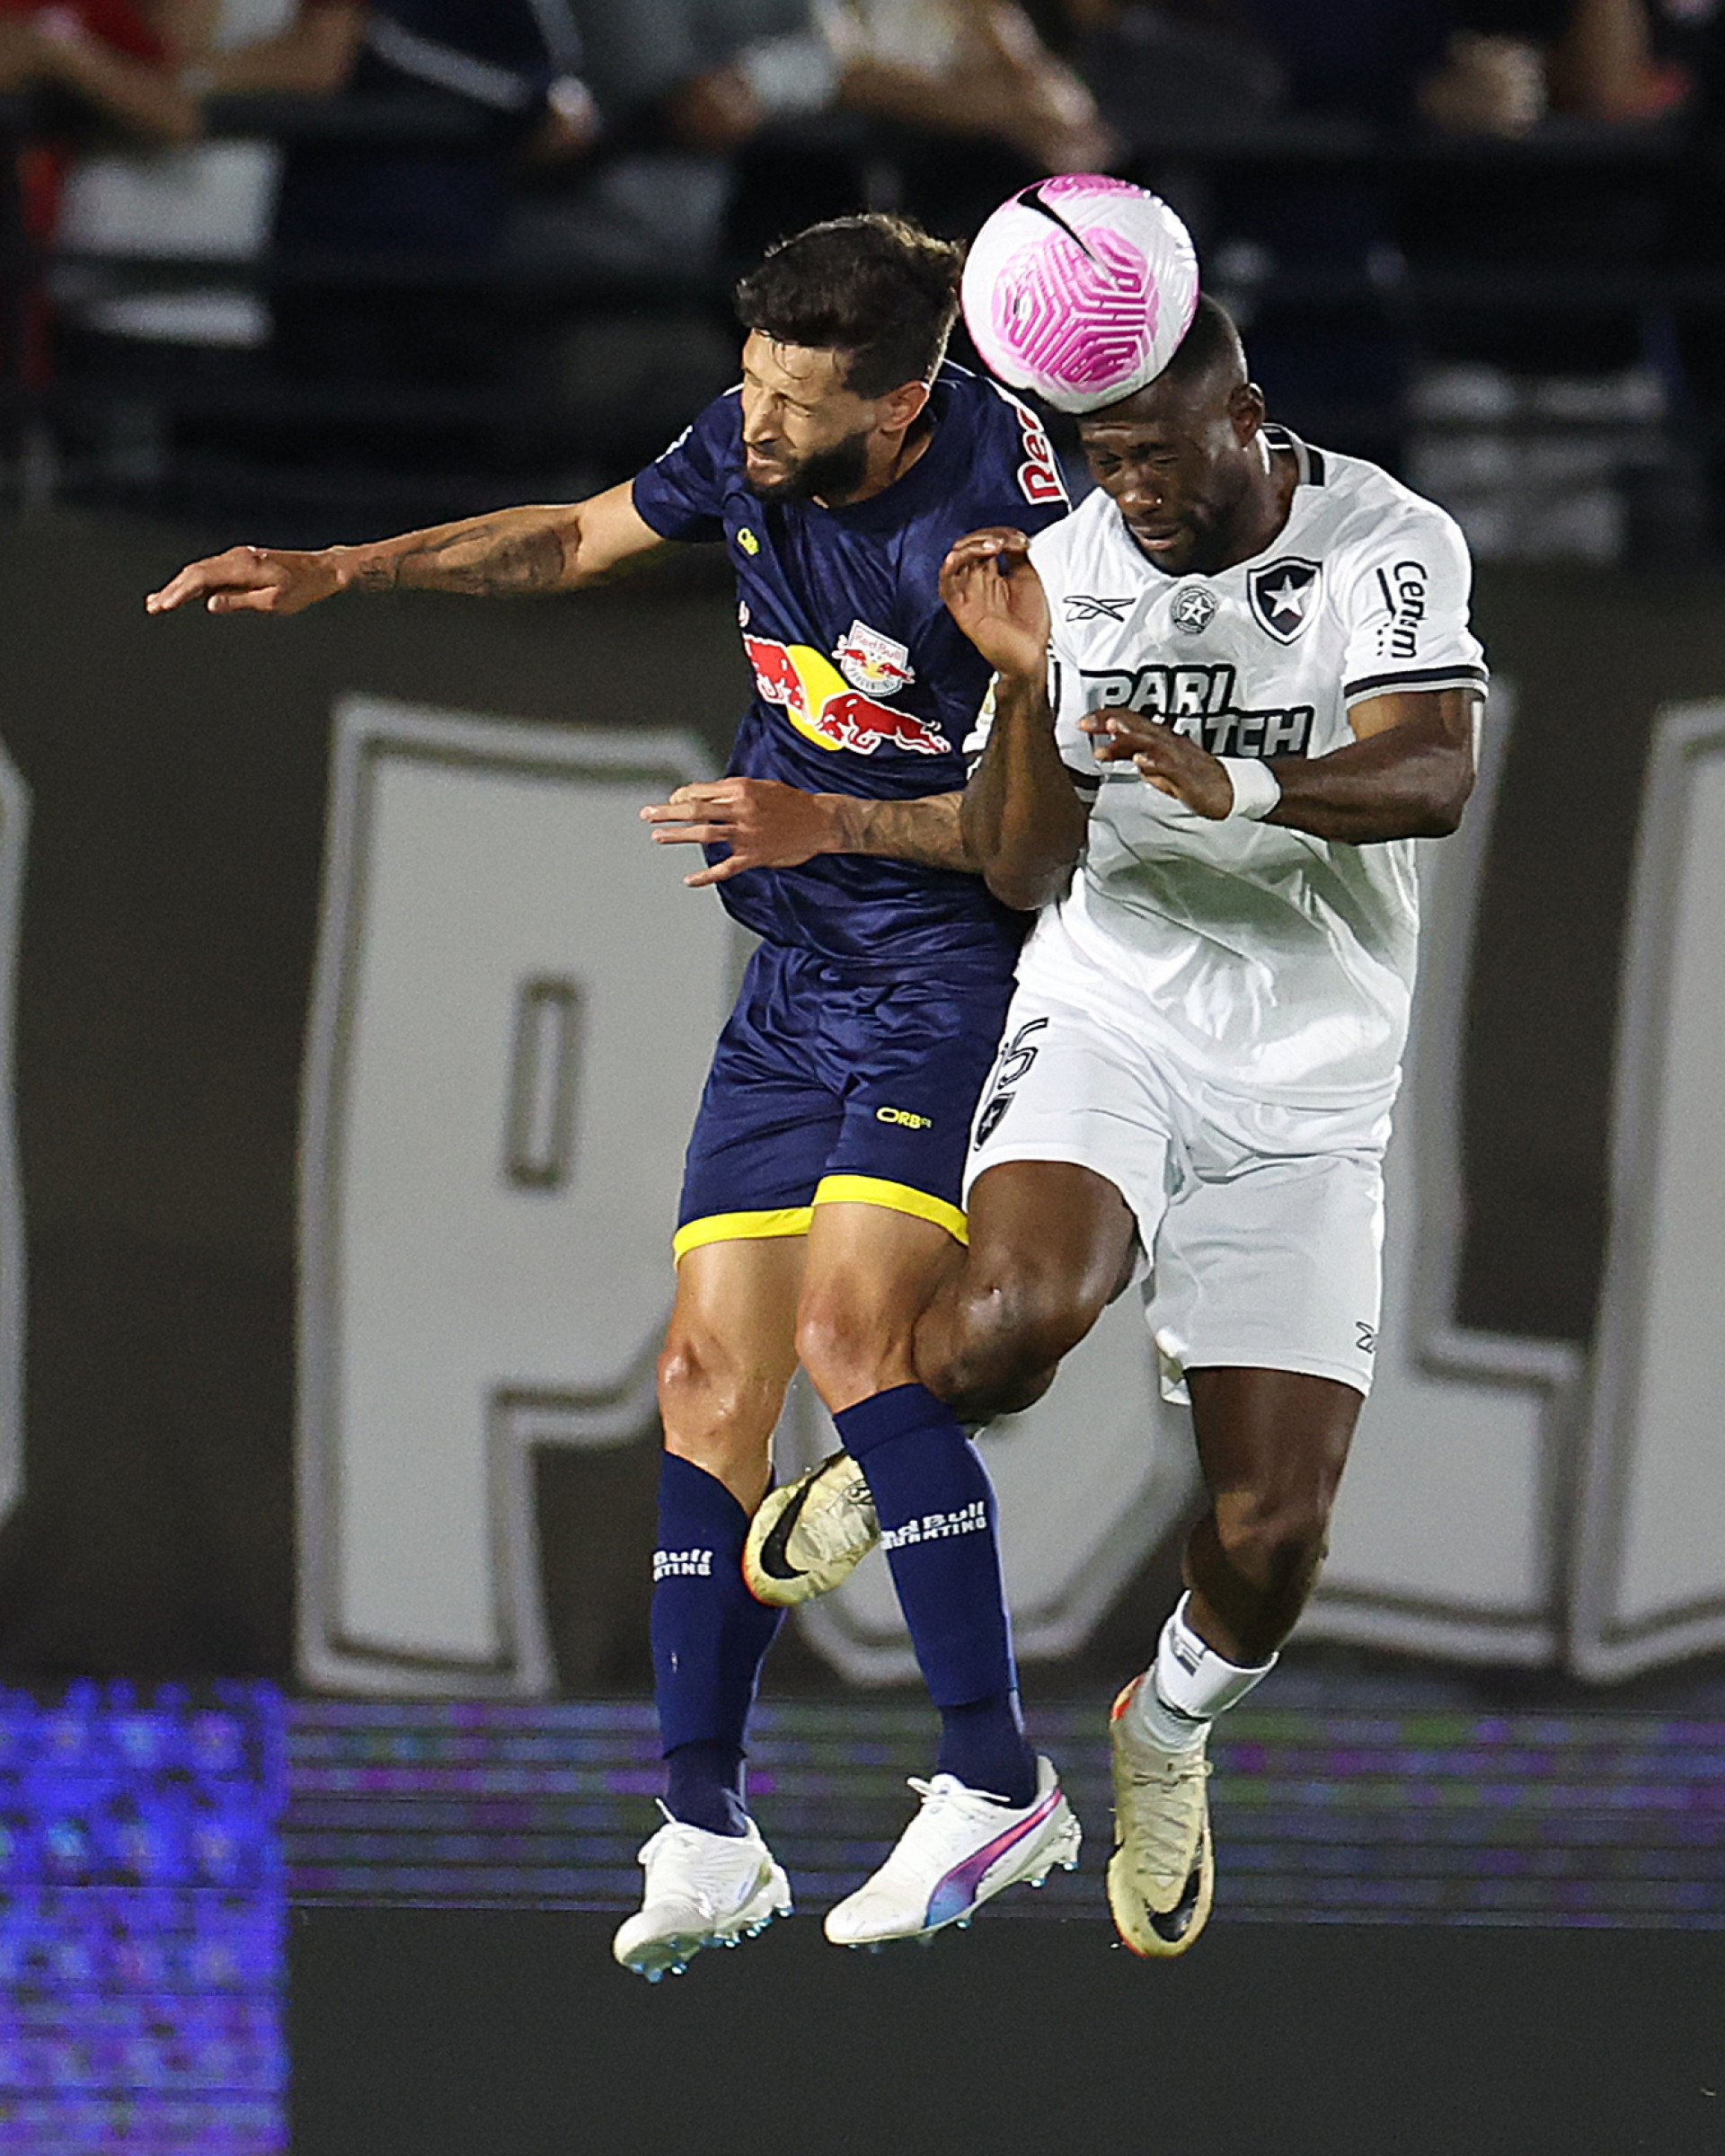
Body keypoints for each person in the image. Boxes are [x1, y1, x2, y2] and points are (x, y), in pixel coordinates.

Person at [143, 212, 1081, 1975]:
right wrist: (346, 569)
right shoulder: (754, 435)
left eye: (796, 401)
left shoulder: (1002, 540)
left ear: (905, 408)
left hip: (951, 973)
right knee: (703, 1373)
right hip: (797, 975)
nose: (754, 423)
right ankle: (706, 1831)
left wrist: (837, 819)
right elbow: (574, 538)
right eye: (748, 379)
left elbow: (1042, 852)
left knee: (848, 1347)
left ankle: (995, 1779)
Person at [748, 292, 1487, 1956]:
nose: (1132, 487)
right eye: (1105, 456)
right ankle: (890, 1456)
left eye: (1158, 453)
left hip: (1314, 1079)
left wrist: (1253, 784)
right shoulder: (1069, 569)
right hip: (1117, 1007)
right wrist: (1024, 685)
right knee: (1015, 1320)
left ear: (1248, 419)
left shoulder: (1383, 536)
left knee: (1274, 1525)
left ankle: (1163, 1735)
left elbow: (1433, 773)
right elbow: (1021, 866)